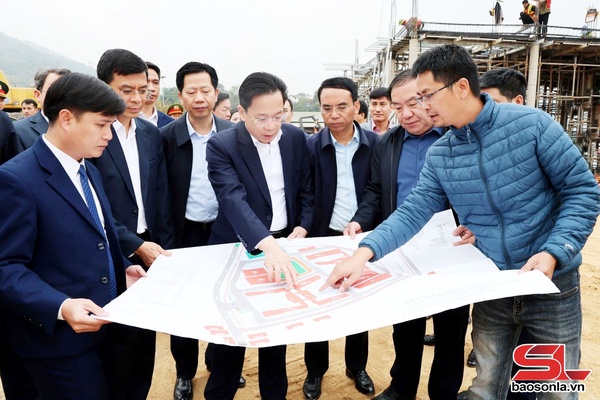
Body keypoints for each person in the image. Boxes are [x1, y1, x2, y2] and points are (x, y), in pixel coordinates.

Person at [324, 43, 600, 400]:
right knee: (486, 386)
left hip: (551, 283)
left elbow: (582, 191)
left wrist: (554, 252)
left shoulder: (531, 125)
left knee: (555, 389)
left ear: (460, 87)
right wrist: (364, 253)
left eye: (426, 96)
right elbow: (414, 210)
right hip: (491, 284)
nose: (423, 107)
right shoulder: (442, 152)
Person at [0, 71, 146, 400]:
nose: (109, 135)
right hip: (57, 344)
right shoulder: (16, 179)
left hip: (103, 329)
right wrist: (61, 305)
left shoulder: (87, 169)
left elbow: (97, 236)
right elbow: (6, 266)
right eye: (101, 124)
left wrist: (122, 267)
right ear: (66, 118)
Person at [346, 69, 469, 400]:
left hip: (453, 249)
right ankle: (402, 388)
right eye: (397, 107)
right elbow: (375, 190)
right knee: (405, 325)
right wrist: (360, 220)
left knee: (451, 330)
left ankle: (443, 392)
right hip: (403, 247)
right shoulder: (387, 142)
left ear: (429, 97)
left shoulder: (458, 137)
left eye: (413, 103)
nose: (406, 114)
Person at [204, 71, 313, 400]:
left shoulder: (294, 138)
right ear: (242, 112)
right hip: (237, 246)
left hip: (285, 241)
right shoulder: (222, 145)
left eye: (278, 116)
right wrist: (267, 245)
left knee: (275, 334)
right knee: (230, 334)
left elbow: (306, 189)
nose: (271, 126)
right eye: (262, 118)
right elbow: (232, 200)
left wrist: (302, 226)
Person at [90, 48, 175, 400]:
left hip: (151, 248)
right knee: (116, 343)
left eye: (143, 89)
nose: (137, 98)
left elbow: (160, 196)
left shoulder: (150, 134)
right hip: (109, 251)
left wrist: (165, 248)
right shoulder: (94, 135)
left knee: (145, 340)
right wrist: (133, 245)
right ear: (104, 87)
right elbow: (94, 206)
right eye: (126, 90)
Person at [456, 66, 534, 400]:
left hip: (538, 276)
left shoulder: (539, 139)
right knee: (491, 369)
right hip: (493, 277)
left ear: (517, 102)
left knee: (532, 368)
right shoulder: (473, 148)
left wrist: (554, 251)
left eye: (492, 103)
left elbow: (574, 198)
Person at [159, 61, 235, 400]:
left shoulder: (233, 134)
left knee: (224, 300)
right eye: (192, 91)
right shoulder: (166, 137)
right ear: (181, 95)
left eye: (206, 90)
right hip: (184, 234)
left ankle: (219, 364)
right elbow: (160, 192)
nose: (199, 97)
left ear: (216, 93)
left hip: (224, 233)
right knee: (183, 306)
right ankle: (184, 372)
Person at [303, 77, 378, 400]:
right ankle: (315, 371)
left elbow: (375, 190)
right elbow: (305, 193)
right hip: (321, 237)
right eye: (327, 108)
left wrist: (361, 221)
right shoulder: (310, 146)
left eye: (342, 107)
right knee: (317, 304)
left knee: (358, 305)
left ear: (356, 107)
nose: (334, 115)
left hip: (359, 238)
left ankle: (356, 367)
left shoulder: (375, 144)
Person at [14, 68, 71, 150]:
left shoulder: (82, 129)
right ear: (38, 95)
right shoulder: (18, 130)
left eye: (67, 90)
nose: (61, 95)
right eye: (54, 90)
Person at [140, 61, 174, 128]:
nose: (151, 88)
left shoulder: (171, 124)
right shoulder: (123, 120)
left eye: (155, 82)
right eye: (146, 82)